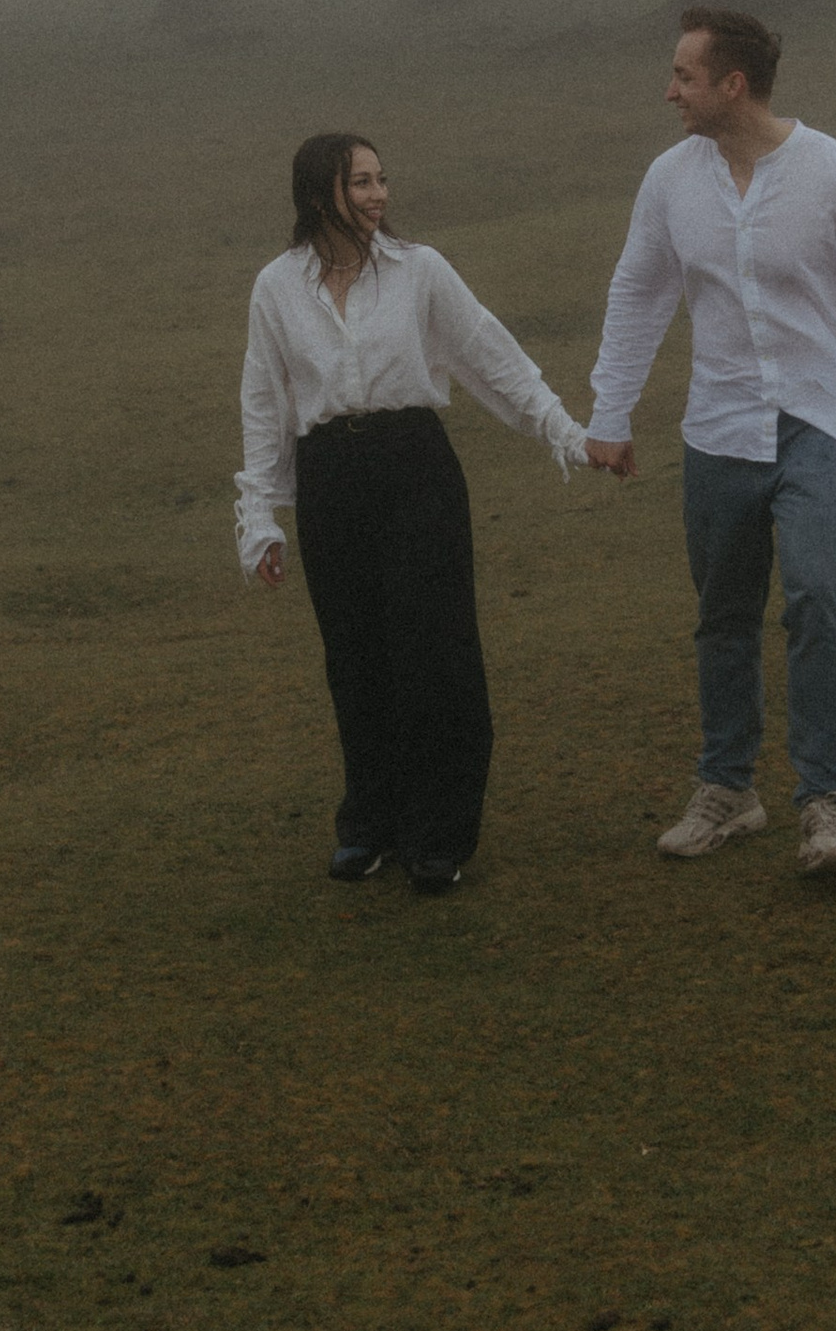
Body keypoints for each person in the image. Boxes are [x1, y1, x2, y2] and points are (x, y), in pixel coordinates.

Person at [586, 9, 836, 878]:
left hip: (823, 422)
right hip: (719, 427)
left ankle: (824, 806)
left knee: (821, 595)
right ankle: (727, 791)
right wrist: (610, 411)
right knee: (724, 614)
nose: (669, 91)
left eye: (684, 77)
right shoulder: (671, 181)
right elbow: (640, 290)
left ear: (732, 86)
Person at [238, 131, 589, 892]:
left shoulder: (420, 270)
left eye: (380, 180)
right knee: (356, 658)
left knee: (435, 653)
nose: (378, 196)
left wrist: (562, 429)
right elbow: (266, 402)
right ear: (317, 194)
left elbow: (488, 353)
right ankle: (370, 824)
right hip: (330, 477)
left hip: (415, 469)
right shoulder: (275, 287)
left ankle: (440, 834)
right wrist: (260, 514)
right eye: (360, 182)